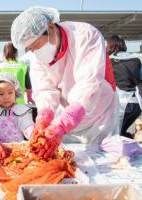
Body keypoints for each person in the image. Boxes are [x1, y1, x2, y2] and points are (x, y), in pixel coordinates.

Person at [11, 6, 119, 157]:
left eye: (36, 45)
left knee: (105, 159)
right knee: (67, 158)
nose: (34, 51)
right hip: (67, 112)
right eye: (30, 49)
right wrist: (44, 117)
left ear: (50, 27)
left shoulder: (85, 35)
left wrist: (64, 122)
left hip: (100, 113)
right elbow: (44, 90)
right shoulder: (37, 58)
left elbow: (89, 82)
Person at [0, 73, 35, 161]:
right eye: (1, 94)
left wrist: (34, 135)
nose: (6, 97)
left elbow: (27, 126)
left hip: (19, 150)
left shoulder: (20, 110)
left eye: (10, 92)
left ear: (15, 92)